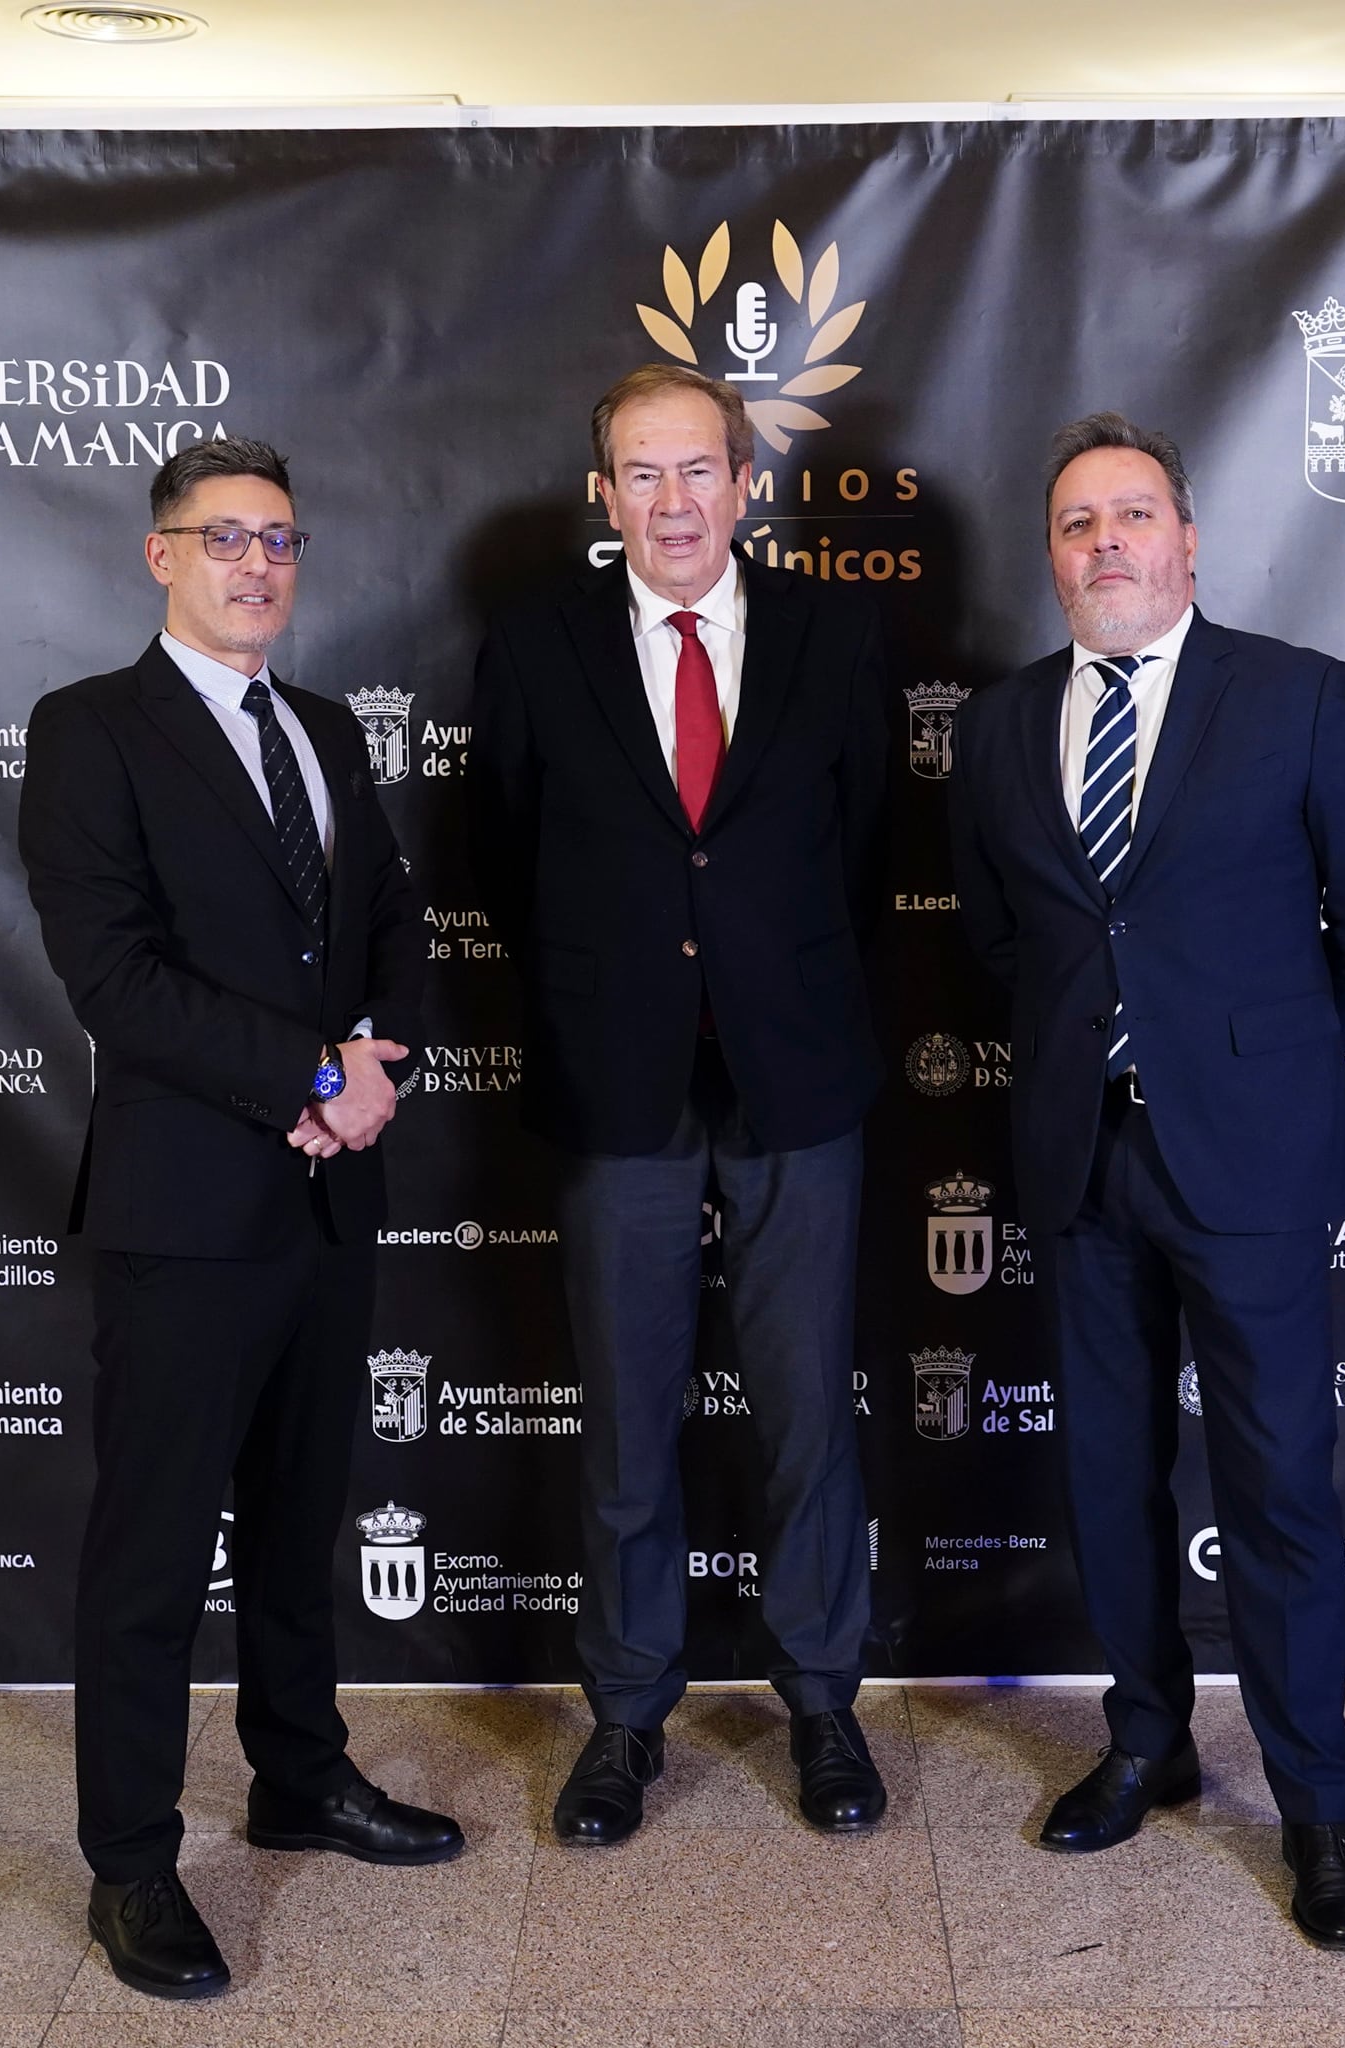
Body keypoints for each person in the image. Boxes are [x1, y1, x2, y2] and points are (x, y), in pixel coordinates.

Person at [946, 412, 1345, 1949]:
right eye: (1078, 523)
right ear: (1052, 556)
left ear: (1189, 538)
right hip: (1081, 1158)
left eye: (1133, 514)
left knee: (1279, 1487)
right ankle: (1146, 1741)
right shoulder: (998, 728)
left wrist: (1255, 1060)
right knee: (1109, 1475)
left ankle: (1316, 1808)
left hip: (1252, 1162)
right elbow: (1000, 935)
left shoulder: (1297, 697)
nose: (1108, 543)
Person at [21, 437, 461, 2003]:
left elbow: (391, 920)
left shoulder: (324, 728)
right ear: (162, 556)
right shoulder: (89, 730)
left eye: (278, 540)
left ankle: (299, 1776)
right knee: (154, 1550)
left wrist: (373, 1065)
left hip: (329, 1198)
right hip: (188, 1206)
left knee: (297, 1518)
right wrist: (309, 1074)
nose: (257, 565)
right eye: (225, 539)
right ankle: (132, 1862)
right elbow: (115, 977)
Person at [470, 363, 894, 1845]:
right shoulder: (535, 643)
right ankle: (627, 1715)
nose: (672, 501)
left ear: (744, 483)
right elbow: (507, 859)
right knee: (628, 1421)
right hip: (619, 1084)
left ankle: (824, 1701)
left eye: (697, 469)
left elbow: (861, 845)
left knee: (809, 1417)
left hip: (798, 1077)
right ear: (605, 495)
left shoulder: (838, 633)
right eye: (641, 474)